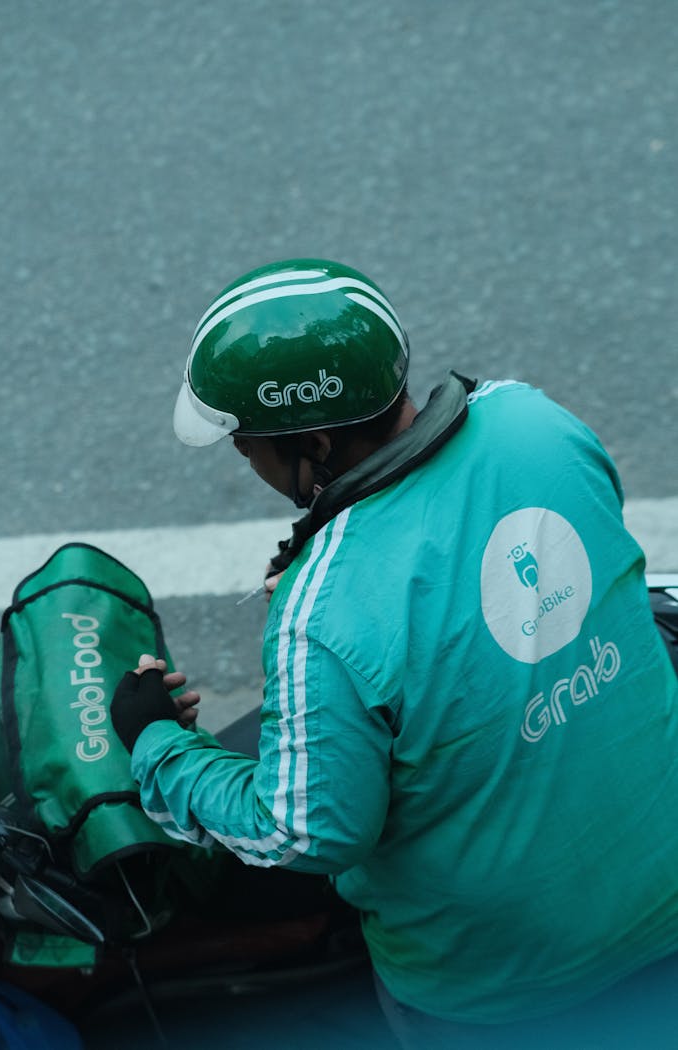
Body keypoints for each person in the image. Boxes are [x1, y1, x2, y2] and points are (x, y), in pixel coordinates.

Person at [111, 258, 678, 1047]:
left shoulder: (322, 607)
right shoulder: (534, 421)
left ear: (310, 442)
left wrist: (159, 744)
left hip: (501, 993)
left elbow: (304, 832)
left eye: (246, 444)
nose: (245, 461)